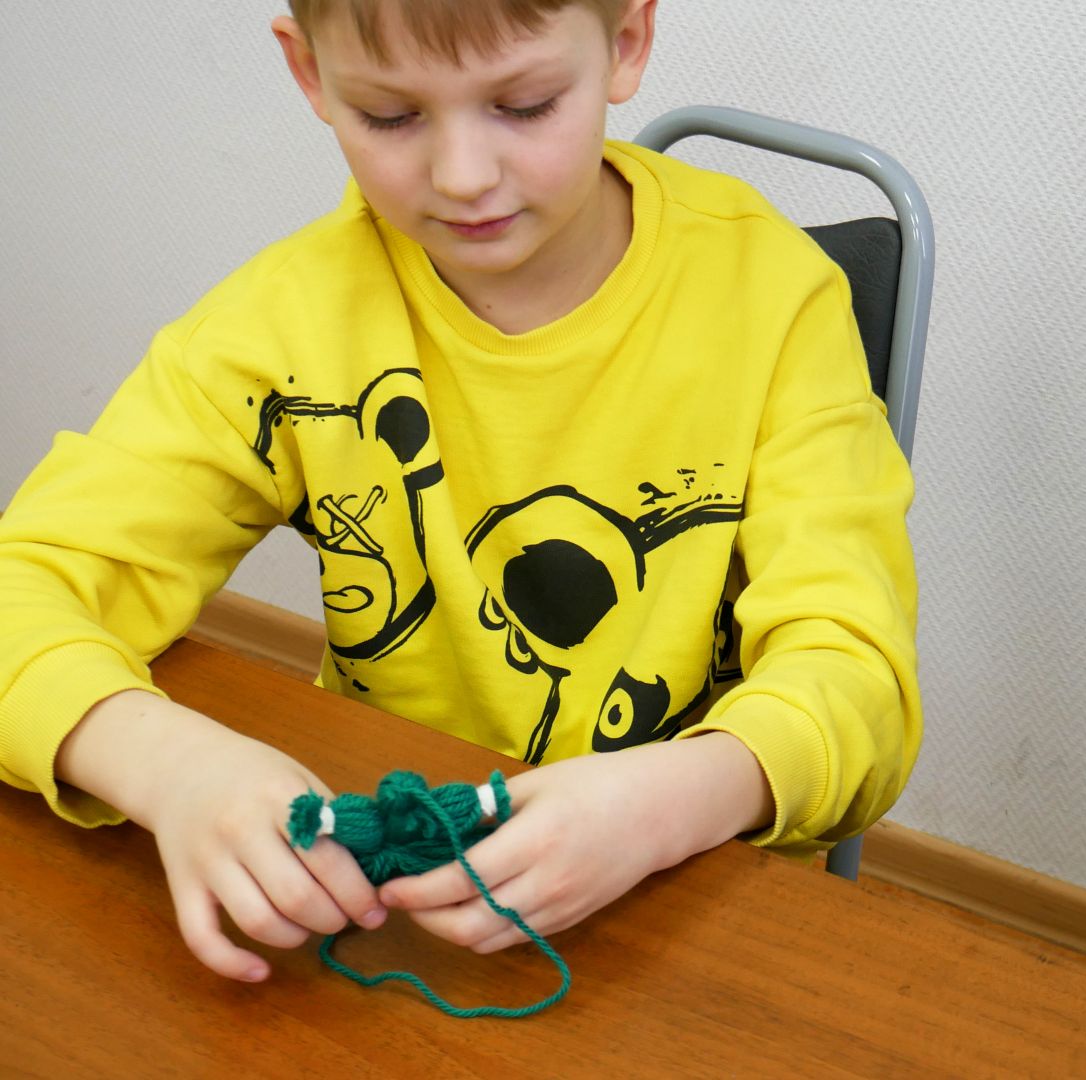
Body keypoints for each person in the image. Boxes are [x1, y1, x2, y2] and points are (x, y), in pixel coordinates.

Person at [0, 0, 918, 985]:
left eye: (524, 105)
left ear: (626, 42)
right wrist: (168, 768)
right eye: (392, 117)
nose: (463, 176)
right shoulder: (284, 325)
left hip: (689, 905)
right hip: (395, 902)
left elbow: (856, 678)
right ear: (311, 74)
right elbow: (26, 587)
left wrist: (673, 803)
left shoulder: (773, 300)